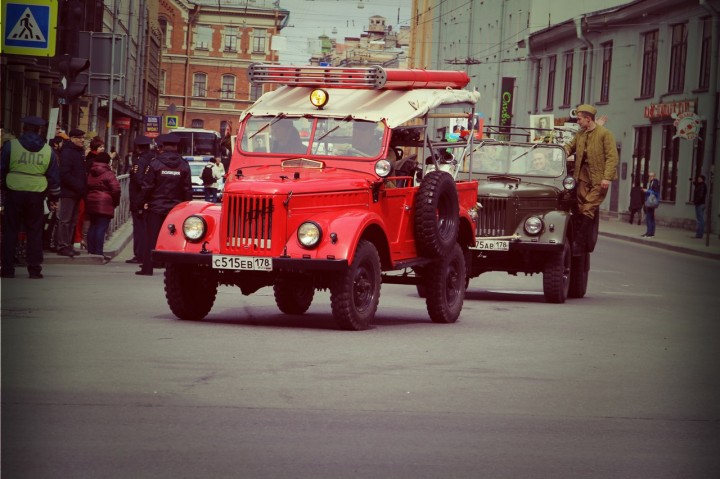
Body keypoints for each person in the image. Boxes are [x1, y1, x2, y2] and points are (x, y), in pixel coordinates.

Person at [1, 116, 61, 279]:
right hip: (37, 194)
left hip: (14, 191)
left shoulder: (11, 146)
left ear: (23, 129)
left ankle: (7, 269)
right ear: (39, 130)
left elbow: (2, 168)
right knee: (34, 232)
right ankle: (34, 270)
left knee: (10, 231)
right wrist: (54, 197)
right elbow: (54, 177)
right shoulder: (48, 150)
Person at [564, 104, 619, 252]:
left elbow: (612, 157)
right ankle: (579, 238)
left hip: (599, 177)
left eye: (580, 119)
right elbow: (570, 146)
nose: (578, 122)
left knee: (589, 207)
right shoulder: (581, 134)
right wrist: (558, 151)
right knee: (581, 206)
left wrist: (607, 178)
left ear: (588, 119)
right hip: (582, 175)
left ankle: (579, 243)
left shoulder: (604, 134)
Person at [136, 133, 192, 276]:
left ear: (162, 147)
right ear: (176, 147)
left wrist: (141, 203)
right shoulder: (184, 165)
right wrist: (187, 208)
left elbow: (147, 186)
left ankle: (147, 269)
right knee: (176, 238)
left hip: (156, 207)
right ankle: (176, 271)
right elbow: (187, 189)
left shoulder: (155, 164)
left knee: (151, 238)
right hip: (176, 210)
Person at [56, 128, 87, 257]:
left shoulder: (78, 152)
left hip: (76, 192)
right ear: (73, 138)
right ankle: (62, 245)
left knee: (73, 220)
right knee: (65, 220)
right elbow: (65, 174)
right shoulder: (68, 152)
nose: (82, 140)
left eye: (83, 138)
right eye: (80, 138)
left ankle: (68, 245)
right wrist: (79, 186)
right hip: (69, 192)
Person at [85, 152, 120, 260]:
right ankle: (99, 253)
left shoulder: (91, 172)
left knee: (93, 227)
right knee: (101, 228)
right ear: (107, 161)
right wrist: (115, 201)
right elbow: (116, 189)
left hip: (91, 201)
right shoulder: (108, 173)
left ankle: (91, 251)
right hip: (105, 202)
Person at [126, 135, 154, 264]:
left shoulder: (140, 160)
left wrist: (140, 200)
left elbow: (139, 180)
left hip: (139, 199)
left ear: (138, 147)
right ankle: (146, 254)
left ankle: (139, 254)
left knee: (139, 229)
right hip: (149, 199)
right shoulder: (153, 158)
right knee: (147, 228)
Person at [642, 172, 660, 238]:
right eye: (649, 176)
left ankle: (649, 233)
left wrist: (646, 190)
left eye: (651, 176)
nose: (649, 177)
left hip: (651, 202)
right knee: (651, 217)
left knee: (649, 218)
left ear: (654, 176)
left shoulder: (654, 183)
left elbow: (655, 192)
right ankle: (651, 233)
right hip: (651, 202)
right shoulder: (654, 182)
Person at [692, 174, 707, 239]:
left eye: (699, 178)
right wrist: (692, 181)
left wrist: (696, 202)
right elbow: (696, 185)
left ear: (702, 179)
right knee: (699, 219)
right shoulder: (700, 185)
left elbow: (701, 195)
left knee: (700, 219)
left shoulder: (702, 186)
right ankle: (699, 233)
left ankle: (699, 234)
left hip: (700, 204)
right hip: (699, 203)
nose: (698, 179)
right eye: (698, 178)